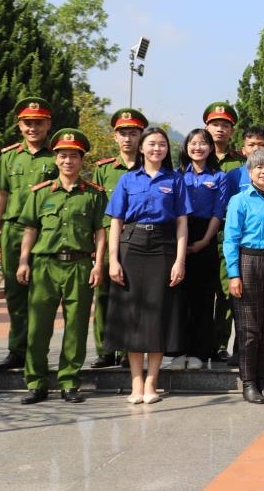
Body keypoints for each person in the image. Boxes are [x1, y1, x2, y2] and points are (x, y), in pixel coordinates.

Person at [16, 128, 106, 404]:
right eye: (63, 156)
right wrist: (23, 261)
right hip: (44, 265)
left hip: (79, 265)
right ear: (56, 159)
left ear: (82, 161)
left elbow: (101, 232)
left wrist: (98, 264)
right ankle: (36, 382)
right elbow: (30, 228)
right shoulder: (41, 193)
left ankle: (69, 382)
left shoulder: (93, 194)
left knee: (76, 327)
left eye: (74, 156)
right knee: (37, 327)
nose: (68, 161)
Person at [104, 127, 191, 404]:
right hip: (133, 244)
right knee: (133, 314)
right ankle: (136, 382)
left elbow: (181, 223)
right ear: (141, 148)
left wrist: (180, 260)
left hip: (163, 247)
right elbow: (115, 221)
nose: (157, 149)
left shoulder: (175, 180)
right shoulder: (128, 180)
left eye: (162, 145)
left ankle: (152, 381)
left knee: (158, 314)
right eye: (152, 144)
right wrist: (113, 260)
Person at [0, 97, 58, 371]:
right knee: (15, 294)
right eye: (28, 123)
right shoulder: (9, 156)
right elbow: (0, 194)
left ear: (48, 124)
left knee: (42, 295)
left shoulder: (57, 156)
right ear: (20, 126)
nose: (33, 128)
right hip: (14, 230)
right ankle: (17, 350)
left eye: (38, 123)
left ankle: (37, 352)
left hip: (47, 232)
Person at [224, 149, 264, 404]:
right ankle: (248, 382)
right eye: (258, 167)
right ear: (249, 172)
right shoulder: (240, 200)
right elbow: (231, 239)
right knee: (250, 328)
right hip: (249, 261)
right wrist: (233, 274)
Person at [89, 107, 147, 369]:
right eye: (122, 133)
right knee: (103, 295)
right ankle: (104, 350)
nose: (127, 139)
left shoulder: (149, 168)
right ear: (115, 137)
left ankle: (128, 351)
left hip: (137, 242)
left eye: (132, 133)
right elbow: (98, 208)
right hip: (108, 238)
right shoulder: (104, 170)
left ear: (140, 136)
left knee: (133, 297)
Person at [176, 128, 227, 370]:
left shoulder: (219, 176)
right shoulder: (177, 176)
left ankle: (199, 352)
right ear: (186, 147)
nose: (198, 147)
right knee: (179, 299)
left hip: (206, 235)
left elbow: (219, 212)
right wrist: (181, 243)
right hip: (179, 236)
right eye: (193, 143)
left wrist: (205, 240)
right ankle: (178, 351)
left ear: (210, 148)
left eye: (203, 143)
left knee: (203, 298)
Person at [203, 102, 243, 365]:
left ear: (232, 130)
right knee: (201, 293)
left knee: (228, 295)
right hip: (198, 237)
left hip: (227, 236)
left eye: (225, 125)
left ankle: (219, 344)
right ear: (207, 126)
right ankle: (198, 344)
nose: (219, 129)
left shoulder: (241, 163)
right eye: (215, 124)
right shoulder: (194, 157)